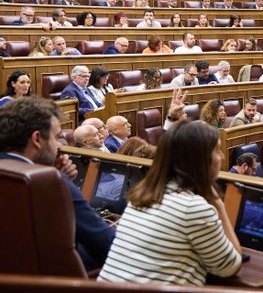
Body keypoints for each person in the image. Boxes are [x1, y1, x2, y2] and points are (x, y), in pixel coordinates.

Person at [98, 119, 241, 285]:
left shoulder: (142, 195)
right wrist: (218, 202)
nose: (222, 156)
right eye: (217, 150)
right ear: (200, 160)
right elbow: (230, 266)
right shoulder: (193, 208)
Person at [0, 97, 116, 270]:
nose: (60, 147)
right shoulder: (51, 182)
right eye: (56, 138)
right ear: (37, 139)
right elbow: (107, 244)